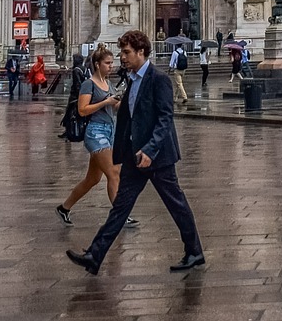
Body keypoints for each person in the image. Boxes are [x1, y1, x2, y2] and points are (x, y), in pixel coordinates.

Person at [66, 30, 205, 276]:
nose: (122, 57)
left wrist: (150, 149)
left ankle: (194, 251)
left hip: (157, 157)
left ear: (141, 52)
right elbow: (131, 116)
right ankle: (95, 255)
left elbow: (165, 119)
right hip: (135, 155)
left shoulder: (159, 79)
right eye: (121, 52)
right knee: (120, 206)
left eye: (126, 52)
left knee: (176, 203)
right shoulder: (132, 80)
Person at [58, 44, 136, 229]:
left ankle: (64, 208)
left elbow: (113, 107)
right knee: (114, 173)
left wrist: (123, 101)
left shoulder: (108, 84)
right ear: (97, 64)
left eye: (111, 63)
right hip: (95, 132)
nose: (111, 66)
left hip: (110, 130)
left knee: (92, 179)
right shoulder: (89, 84)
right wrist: (105, 102)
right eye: (107, 63)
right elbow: (82, 110)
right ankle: (120, 215)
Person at [166, 42, 190, 106]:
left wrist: (169, 70)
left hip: (177, 70)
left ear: (176, 45)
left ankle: (185, 97)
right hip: (183, 70)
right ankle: (175, 98)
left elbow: (171, 63)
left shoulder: (175, 53)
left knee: (179, 84)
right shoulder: (184, 52)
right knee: (178, 84)